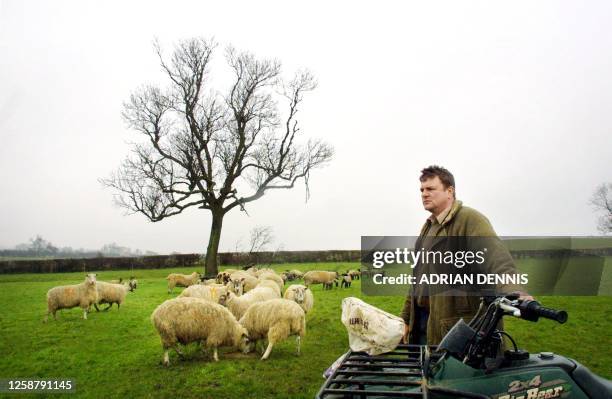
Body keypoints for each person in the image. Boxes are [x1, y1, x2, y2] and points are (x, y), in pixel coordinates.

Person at [400, 166, 532, 345]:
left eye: (430, 189)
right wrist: (406, 319)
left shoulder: (470, 220)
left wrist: (516, 293)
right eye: (422, 190)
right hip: (424, 323)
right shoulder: (428, 228)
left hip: (460, 327)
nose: (424, 194)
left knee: (456, 373)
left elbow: (498, 262)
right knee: (426, 372)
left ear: (449, 191)